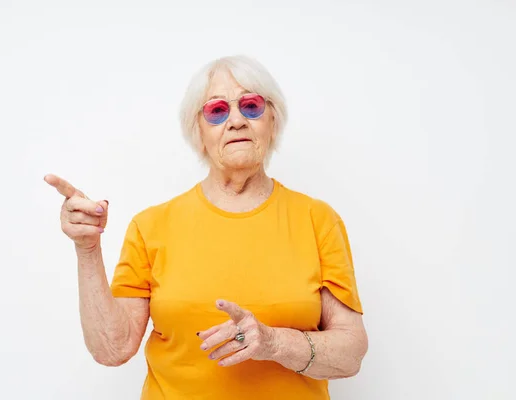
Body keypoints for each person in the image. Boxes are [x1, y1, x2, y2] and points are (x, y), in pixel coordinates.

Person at [44, 55, 368, 399]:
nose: (237, 121)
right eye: (216, 111)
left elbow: (351, 353)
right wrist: (87, 249)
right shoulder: (151, 226)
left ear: (273, 120)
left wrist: (273, 342)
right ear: (198, 130)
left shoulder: (317, 220)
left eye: (251, 105)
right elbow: (113, 349)